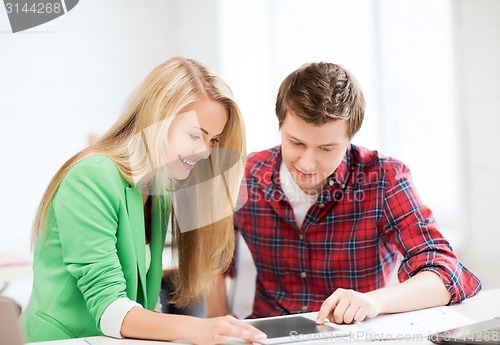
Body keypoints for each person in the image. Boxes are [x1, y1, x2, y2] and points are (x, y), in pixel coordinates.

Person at [20, 57, 266, 345]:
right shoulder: (92, 176)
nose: (205, 153)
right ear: (156, 119)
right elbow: (110, 309)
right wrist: (200, 329)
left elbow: (143, 304)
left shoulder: (156, 188)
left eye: (212, 140)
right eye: (194, 136)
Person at [221, 62, 482, 325]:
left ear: (350, 138)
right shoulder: (245, 174)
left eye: (326, 148)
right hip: (267, 332)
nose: (307, 163)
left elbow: (446, 272)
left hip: (354, 333)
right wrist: (218, 323)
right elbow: (209, 261)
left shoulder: (384, 179)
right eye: (296, 143)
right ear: (280, 127)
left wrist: (375, 301)